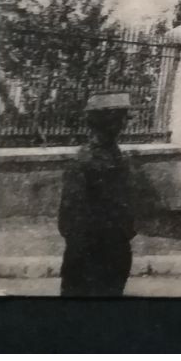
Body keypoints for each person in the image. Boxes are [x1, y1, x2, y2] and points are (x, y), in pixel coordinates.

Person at [58, 91, 137, 297]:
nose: (123, 125)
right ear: (107, 122)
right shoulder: (83, 162)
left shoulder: (118, 157)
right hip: (88, 256)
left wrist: (125, 234)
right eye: (120, 119)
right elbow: (69, 219)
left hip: (116, 252)